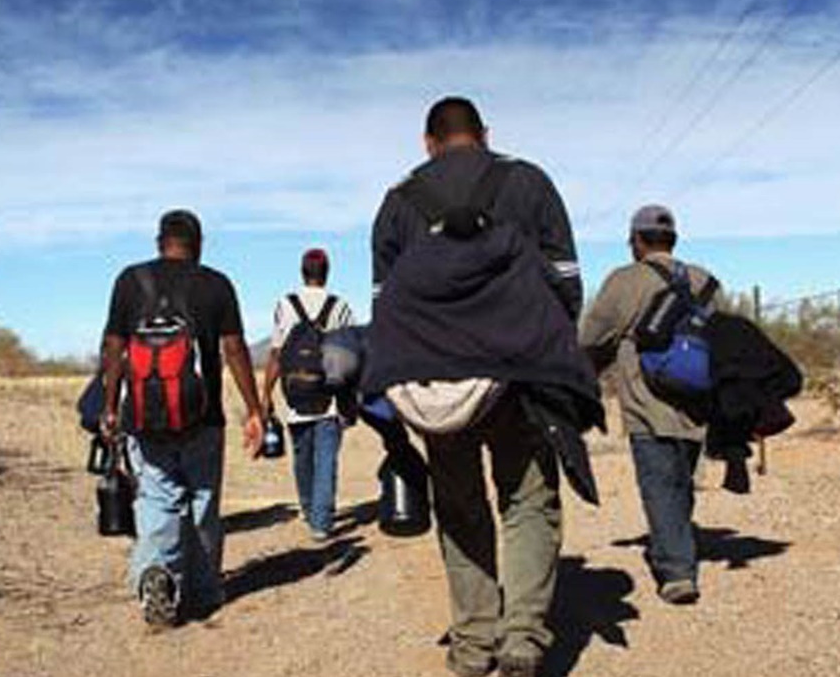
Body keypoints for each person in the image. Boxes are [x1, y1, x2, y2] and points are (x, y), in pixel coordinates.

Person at [369, 97, 587, 677]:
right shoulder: (530, 182)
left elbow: (384, 305)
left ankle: (471, 645)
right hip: (521, 375)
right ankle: (522, 641)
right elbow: (567, 285)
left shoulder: (397, 202)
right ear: (485, 134)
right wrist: (548, 351)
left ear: (427, 142)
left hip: (438, 384)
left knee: (461, 507)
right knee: (527, 501)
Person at [100, 209, 264, 627]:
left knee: (157, 498)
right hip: (203, 418)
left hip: (142, 416)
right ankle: (203, 590)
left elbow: (114, 347)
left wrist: (109, 406)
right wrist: (254, 409)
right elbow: (234, 349)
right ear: (199, 243)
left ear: (160, 242)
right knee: (202, 501)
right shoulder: (216, 284)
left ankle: (156, 572)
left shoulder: (129, 281)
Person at [579, 205, 719, 605]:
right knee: (681, 479)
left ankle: (677, 572)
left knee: (659, 483)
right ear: (672, 239)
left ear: (636, 241)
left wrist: (583, 376)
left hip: (647, 400)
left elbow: (592, 337)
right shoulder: (704, 280)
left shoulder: (624, 281)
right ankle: (677, 543)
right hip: (696, 400)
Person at [261, 248, 355, 542]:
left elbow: (276, 354)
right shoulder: (339, 306)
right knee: (326, 459)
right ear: (327, 272)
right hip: (329, 399)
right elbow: (349, 355)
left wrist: (265, 395)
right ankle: (321, 522)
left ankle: (308, 508)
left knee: (302, 456)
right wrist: (350, 400)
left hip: (294, 399)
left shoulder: (285, 305)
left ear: (302, 271)